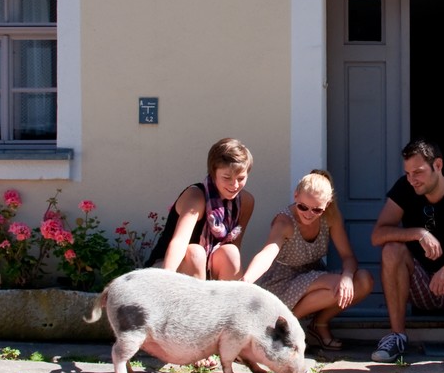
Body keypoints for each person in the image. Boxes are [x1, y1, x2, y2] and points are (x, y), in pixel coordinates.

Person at [369, 139, 444, 363]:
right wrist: (418, 233)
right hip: (420, 283)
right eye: (407, 173)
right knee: (391, 250)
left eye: (418, 172)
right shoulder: (405, 189)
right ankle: (397, 336)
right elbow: (377, 235)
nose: (412, 179)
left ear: (438, 165)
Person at [243, 170, 373, 349]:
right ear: (295, 196)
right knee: (337, 285)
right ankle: (284, 328)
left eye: (317, 209)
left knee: (363, 280)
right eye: (303, 206)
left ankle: (317, 325)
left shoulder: (331, 218)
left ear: (326, 205)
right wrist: (246, 282)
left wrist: (347, 276)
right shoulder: (285, 222)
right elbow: (267, 253)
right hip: (283, 280)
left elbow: (348, 256)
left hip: (312, 275)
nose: (309, 213)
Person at [145, 138, 255, 280]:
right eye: (227, 177)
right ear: (213, 173)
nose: (234, 185)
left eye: (240, 178)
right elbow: (179, 242)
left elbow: (235, 243)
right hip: (170, 268)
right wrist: (166, 278)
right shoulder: (196, 197)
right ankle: (199, 300)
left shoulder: (246, 201)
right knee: (195, 252)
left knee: (231, 252)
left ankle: (228, 300)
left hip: (208, 268)